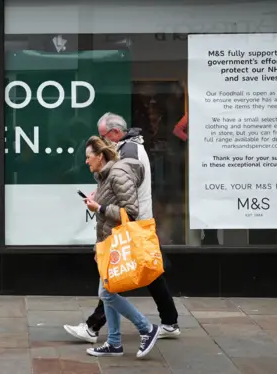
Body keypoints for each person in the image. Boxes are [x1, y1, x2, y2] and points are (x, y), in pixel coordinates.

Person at [64, 112, 181, 344]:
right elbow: (118, 186)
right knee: (150, 274)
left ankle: (95, 327)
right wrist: (100, 194)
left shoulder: (127, 153)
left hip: (131, 223)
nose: (101, 142)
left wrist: (100, 205)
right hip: (137, 222)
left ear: (115, 133)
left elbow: (124, 190)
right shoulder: (129, 148)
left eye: (103, 136)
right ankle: (169, 321)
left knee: (111, 281)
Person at [82, 135, 160, 358]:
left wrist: (99, 207)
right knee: (110, 290)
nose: (86, 162)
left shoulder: (117, 174)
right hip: (107, 243)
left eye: (89, 157)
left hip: (117, 243)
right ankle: (114, 342)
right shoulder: (103, 175)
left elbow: (130, 213)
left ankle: (146, 328)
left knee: (106, 293)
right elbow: (109, 207)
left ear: (100, 156)